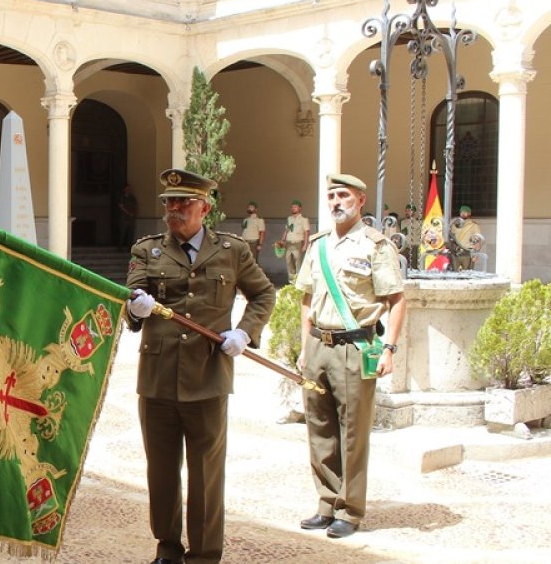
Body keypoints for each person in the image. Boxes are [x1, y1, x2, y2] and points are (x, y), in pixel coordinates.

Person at [125, 168, 276, 564]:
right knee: (161, 472)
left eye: (183, 203)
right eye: (168, 203)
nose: (173, 209)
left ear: (204, 208)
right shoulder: (147, 249)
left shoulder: (232, 250)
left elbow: (263, 294)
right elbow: (131, 299)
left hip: (208, 378)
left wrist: (244, 333)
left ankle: (206, 554)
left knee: (207, 476)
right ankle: (168, 549)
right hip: (157, 379)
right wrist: (133, 306)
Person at [295, 173, 406, 539]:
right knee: (319, 429)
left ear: (360, 200)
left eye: (343, 195)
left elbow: (396, 299)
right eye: (331, 196)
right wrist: (303, 346)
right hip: (319, 346)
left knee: (353, 433)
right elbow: (307, 299)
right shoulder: (318, 245)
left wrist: (388, 348)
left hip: (355, 347)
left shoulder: (376, 246)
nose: (335, 202)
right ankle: (326, 503)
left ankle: (350, 509)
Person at [278, 199, 310, 283]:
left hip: (298, 244)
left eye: (295, 207)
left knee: (298, 263)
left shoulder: (304, 219)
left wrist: (305, 245)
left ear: (300, 208)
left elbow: (307, 232)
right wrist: (282, 240)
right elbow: (286, 230)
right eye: (292, 207)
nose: (293, 208)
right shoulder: (289, 219)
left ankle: (299, 283)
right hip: (288, 244)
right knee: (289, 263)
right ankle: (292, 283)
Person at [451, 205, 482, 272]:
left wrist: (476, 254)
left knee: (467, 274)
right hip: (456, 253)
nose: (463, 213)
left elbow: (478, 240)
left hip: (467, 253)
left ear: (469, 214)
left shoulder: (473, 225)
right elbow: (451, 238)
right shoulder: (455, 224)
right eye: (462, 212)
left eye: (465, 212)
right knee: (454, 274)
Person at [117, 183, 139, 249]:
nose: (129, 190)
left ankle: (129, 246)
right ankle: (120, 246)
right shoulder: (122, 197)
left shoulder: (132, 197)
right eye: (127, 189)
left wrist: (134, 213)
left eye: (129, 189)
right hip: (124, 218)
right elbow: (121, 206)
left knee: (131, 233)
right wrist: (129, 213)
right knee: (122, 232)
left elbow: (136, 205)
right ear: (124, 189)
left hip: (131, 218)